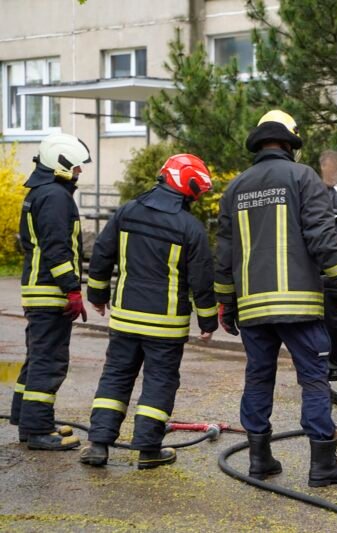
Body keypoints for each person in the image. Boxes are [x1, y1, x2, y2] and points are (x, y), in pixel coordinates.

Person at [215, 110, 337, 487]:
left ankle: (259, 460)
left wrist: (226, 302)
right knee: (313, 380)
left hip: (252, 308)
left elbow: (225, 252)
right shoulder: (302, 177)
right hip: (299, 307)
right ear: (291, 144)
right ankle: (323, 466)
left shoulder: (236, 187)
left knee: (258, 378)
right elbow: (321, 235)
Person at [79, 154, 218, 470]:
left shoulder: (127, 212)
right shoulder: (190, 227)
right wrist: (208, 320)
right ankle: (147, 450)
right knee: (159, 382)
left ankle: (98, 444)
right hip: (166, 326)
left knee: (115, 377)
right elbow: (202, 280)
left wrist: (97, 295)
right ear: (188, 187)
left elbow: (101, 254)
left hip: (126, 317)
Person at [9, 133, 91, 451]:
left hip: (38, 289)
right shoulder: (56, 197)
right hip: (50, 292)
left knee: (37, 357)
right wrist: (72, 290)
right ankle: (38, 429)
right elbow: (58, 249)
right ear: (60, 164)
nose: (79, 172)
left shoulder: (39, 193)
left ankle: (26, 418)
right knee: (49, 360)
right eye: (76, 167)